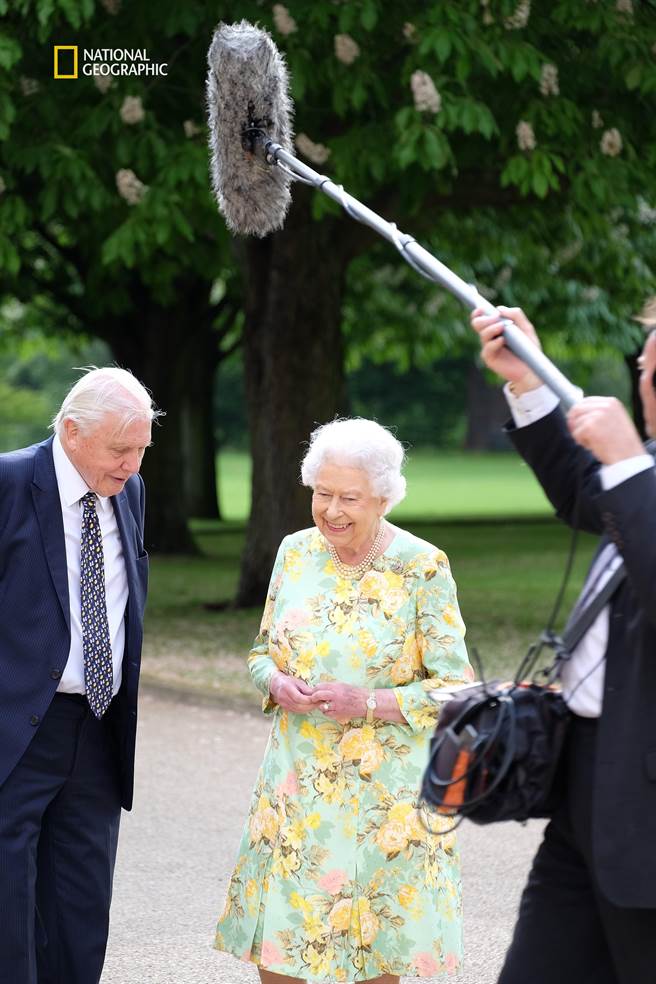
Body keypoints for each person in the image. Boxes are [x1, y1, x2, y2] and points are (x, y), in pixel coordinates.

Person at [215, 418, 473, 984]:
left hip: (385, 801)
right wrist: (274, 683)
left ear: (384, 497)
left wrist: (369, 702)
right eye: (322, 493)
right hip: (296, 788)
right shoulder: (294, 553)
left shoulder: (422, 566)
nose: (332, 510)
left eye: (349, 498)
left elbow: (457, 688)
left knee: (373, 957)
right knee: (281, 956)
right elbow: (261, 652)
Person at [470, 301, 656, 984]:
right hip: (589, 788)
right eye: (645, 367)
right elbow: (586, 492)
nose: (643, 385)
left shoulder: (642, 470)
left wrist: (630, 466)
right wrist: (528, 380)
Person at [0, 366, 160, 984]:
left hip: (97, 727)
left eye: (142, 449)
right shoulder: (11, 482)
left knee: (81, 910)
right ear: (72, 431)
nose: (133, 465)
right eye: (121, 449)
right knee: (9, 914)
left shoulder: (129, 491)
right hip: (16, 730)